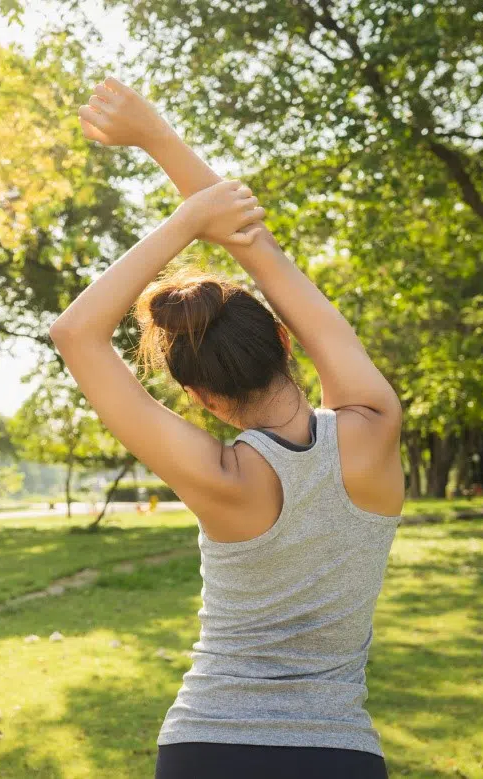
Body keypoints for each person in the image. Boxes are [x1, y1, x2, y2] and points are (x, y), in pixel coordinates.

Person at [51, 77, 405, 779]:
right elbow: (259, 252)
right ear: (284, 335)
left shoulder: (222, 478)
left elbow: (75, 333)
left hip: (206, 746)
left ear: (204, 399)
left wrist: (184, 223)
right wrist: (160, 139)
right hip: (337, 754)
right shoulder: (375, 426)